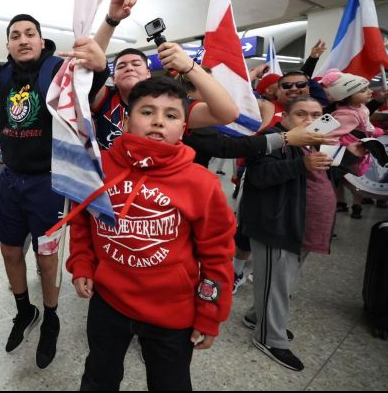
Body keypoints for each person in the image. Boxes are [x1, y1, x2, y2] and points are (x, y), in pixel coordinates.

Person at [0, 10, 109, 369]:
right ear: (8, 45)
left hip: (48, 183)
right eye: (15, 35)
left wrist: (101, 64)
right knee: (10, 252)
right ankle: (25, 310)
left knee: (46, 258)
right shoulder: (2, 76)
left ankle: (51, 317)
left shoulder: (56, 70)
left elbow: (88, 82)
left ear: (41, 40)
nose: (23, 40)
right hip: (10, 181)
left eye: (29, 33)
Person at [67, 77, 235, 390]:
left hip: (172, 311)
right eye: (147, 112)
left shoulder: (201, 183)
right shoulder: (97, 168)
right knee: (98, 378)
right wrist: (81, 264)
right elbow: (81, 222)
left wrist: (210, 313)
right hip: (108, 301)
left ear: (183, 128)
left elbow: (217, 255)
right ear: (126, 121)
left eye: (170, 115)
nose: (158, 121)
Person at [239, 97, 362, 372]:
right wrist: (301, 165)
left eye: (316, 114)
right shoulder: (273, 138)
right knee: (277, 280)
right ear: (285, 118)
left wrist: (352, 155)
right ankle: (269, 338)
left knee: (284, 279)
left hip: (304, 224)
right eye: (301, 114)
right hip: (277, 225)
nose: (309, 119)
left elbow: (325, 175)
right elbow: (259, 176)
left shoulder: (316, 141)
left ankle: (258, 316)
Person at [90, 0, 239, 150]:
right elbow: (89, 61)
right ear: (113, 78)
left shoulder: (168, 102)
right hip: (108, 166)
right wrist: (111, 20)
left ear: (148, 74)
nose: (129, 68)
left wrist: (190, 66)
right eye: (121, 66)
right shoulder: (104, 98)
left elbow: (228, 113)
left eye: (136, 64)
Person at [320, 71, 383, 219]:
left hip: (355, 152)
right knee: (352, 181)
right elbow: (330, 137)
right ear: (347, 95)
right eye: (363, 90)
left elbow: (365, 125)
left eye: (368, 87)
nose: (370, 91)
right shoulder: (347, 115)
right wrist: (338, 158)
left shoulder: (361, 107)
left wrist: (374, 131)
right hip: (347, 155)